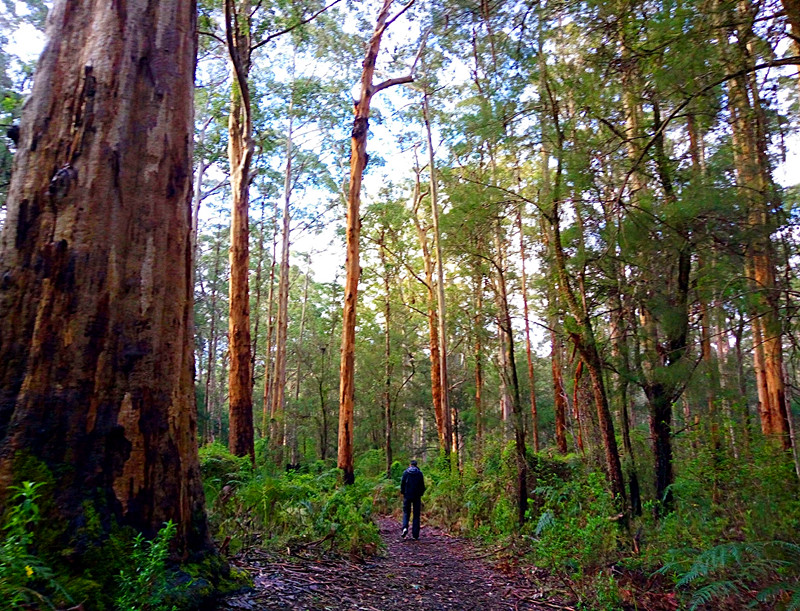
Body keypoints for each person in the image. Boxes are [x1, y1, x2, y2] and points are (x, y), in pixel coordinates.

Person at [400, 459, 425, 540]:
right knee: (416, 515)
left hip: (407, 496)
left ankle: (405, 528)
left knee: (406, 512)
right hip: (417, 496)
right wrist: (421, 493)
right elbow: (422, 485)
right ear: (416, 465)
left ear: (410, 465)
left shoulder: (406, 473)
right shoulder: (419, 473)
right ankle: (415, 534)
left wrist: (403, 492)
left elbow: (402, 484)